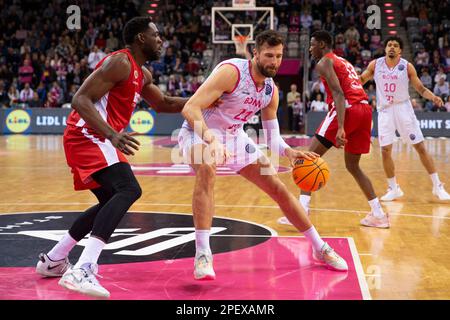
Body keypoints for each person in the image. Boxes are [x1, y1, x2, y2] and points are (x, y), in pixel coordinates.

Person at [35, 17, 190, 298]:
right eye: (156, 35)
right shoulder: (120, 62)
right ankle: (83, 270)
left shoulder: (142, 74)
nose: (161, 39)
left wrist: (208, 98)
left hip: (96, 138)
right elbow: (80, 99)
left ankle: (54, 260)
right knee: (129, 189)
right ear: (141, 38)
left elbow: (164, 103)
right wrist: (111, 134)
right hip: (87, 135)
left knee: (111, 200)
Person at [178, 30, 348, 281]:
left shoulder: (271, 91)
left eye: (279, 56)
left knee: (278, 188)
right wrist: (212, 140)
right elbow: (190, 107)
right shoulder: (231, 72)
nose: (275, 61)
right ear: (255, 53)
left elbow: (273, 139)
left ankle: (319, 246)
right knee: (206, 167)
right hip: (198, 131)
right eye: (269, 55)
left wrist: (289, 152)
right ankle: (203, 254)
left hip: (235, 138)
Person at [280, 30, 389, 228]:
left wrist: (340, 127)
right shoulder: (343, 61)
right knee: (353, 166)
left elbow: (339, 93)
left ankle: (301, 212)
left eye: (312, 44)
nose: (310, 49)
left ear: (322, 44)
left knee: (307, 157)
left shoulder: (324, 62)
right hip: (365, 110)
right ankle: (378, 214)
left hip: (347, 109)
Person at [359, 36, 450, 201]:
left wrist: (433, 97)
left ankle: (437, 186)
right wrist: (349, 80)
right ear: (385, 49)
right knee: (385, 150)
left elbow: (421, 88)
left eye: (395, 45)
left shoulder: (407, 66)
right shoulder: (375, 64)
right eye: (389, 45)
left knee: (420, 147)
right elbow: (362, 79)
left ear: (400, 50)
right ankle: (394, 188)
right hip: (385, 111)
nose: (392, 47)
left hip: (403, 109)